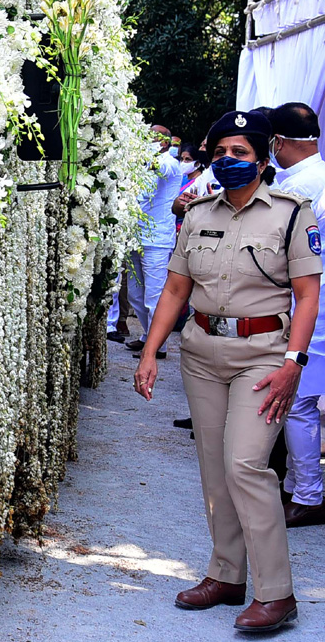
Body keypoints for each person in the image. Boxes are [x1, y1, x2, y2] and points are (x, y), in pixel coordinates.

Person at [134, 109, 319, 633]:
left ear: (263, 158)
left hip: (264, 355)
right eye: (220, 153)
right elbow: (175, 289)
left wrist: (293, 364)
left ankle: (277, 593)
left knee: (245, 464)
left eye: (240, 153)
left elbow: (307, 297)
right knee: (215, 471)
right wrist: (150, 352)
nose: (229, 161)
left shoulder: (290, 213)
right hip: (201, 353)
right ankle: (226, 575)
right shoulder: (197, 214)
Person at [268, 102, 325, 526]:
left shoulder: (302, 189)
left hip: (313, 304)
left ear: (279, 142)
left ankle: (307, 495)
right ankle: (297, 487)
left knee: (300, 401)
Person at [123, 125, 184, 357]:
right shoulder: (141, 164)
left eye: (151, 138)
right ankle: (149, 336)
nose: (146, 140)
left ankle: (158, 345)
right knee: (135, 295)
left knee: (154, 295)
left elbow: (162, 168)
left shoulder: (170, 163)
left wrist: (141, 155)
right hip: (134, 237)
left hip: (157, 239)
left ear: (164, 143)